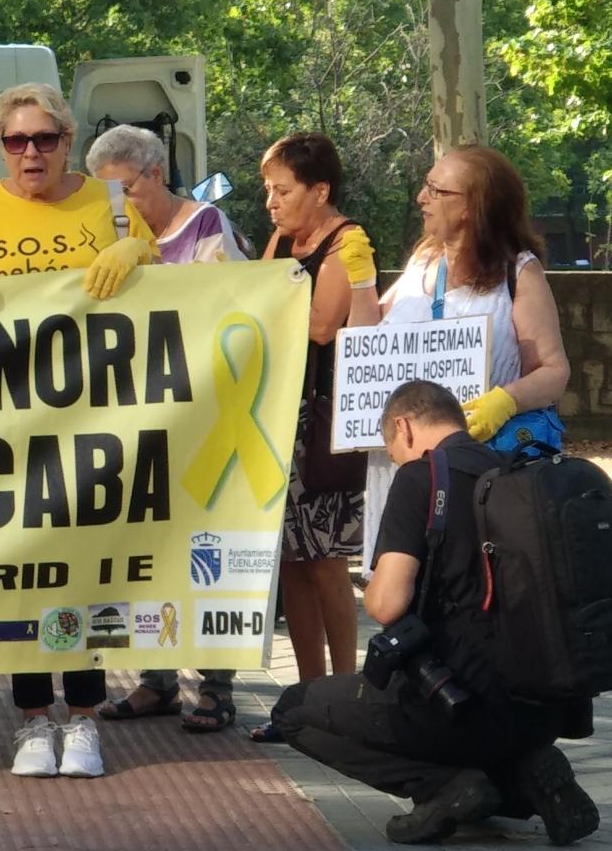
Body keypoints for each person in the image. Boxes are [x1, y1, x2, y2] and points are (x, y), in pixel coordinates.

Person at [0, 82, 158, 777]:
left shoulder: (108, 207)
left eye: (44, 139)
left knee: (80, 572)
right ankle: (31, 723)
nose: (30, 152)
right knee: (19, 573)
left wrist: (137, 255)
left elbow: (176, 301)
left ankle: (83, 720)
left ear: (67, 141)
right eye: (16, 140)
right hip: (9, 428)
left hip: (93, 422)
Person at [272, 380, 598, 846]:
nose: (397, 460)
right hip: (541, 708)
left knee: (294, 710)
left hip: (454, 704)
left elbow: (386, 605)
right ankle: (524, 773)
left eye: (392, 448)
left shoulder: (421, 477)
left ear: (403, 427)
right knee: (490, 739)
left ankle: (447, 787)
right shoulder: (511, 472)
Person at [84, 125, 241, 732]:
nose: (117, 207)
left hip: (201, 416)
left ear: (153, 173)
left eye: (123, 189)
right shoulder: (114, 231)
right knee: (145, 552)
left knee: (205, 549)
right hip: (137, 419)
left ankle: (216, 686)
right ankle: (155, 680)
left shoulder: (205, 225)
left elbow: (220, 307)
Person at [352, 145, 569, 569]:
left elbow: (554, 370)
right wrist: (361, 281)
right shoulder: (421, 262)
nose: (421, 197)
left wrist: (505, 400)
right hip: (398, 469)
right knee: (398, 603)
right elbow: (364, 346)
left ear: (472, 206)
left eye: (436, 189)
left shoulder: (518, 273)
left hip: (473, 469)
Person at [248, 132, 376, 743]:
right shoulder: (282, 240)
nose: (271, 203)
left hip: (323, 423)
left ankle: (348, 697)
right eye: (267, 191)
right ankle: (305, 694)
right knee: (293, 565)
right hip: (278, 418)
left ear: (319, 191)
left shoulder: (349, 243)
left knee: (326, 563)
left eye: (283, 190)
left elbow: (323, 325)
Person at [86, 123, 248, 264]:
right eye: (108, 194)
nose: (117, 203)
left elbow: (217, 286)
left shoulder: (203, 221)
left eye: (123, 190)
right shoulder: (108, 229)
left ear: (156, 174)